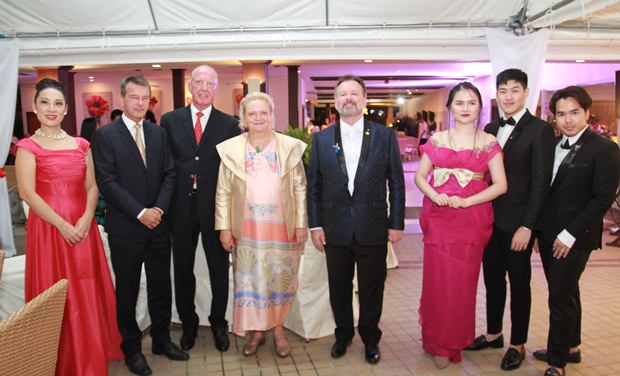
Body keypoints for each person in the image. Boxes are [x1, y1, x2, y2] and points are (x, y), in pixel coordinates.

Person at [15, 78, 122, 375]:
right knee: (57, 294)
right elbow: (27, 193)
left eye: (58, 103)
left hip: (82, 228)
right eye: (45, 103)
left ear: (66, 110)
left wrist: (87, 217)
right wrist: (63, 225)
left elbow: (92, 186)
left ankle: (89, 356)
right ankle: (58, 359)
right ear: (35, 107)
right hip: (50, 231)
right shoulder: (27, 146)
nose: (52, 109)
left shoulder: (80, 144)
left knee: (86, 290)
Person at [92, 76, 188, 376]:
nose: (139, 103)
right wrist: (140, 213)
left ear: (150, 101)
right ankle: (131, 349)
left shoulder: (158, 134)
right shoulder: (106, 136)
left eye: (144, 98)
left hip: (158, 225)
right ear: (123, 99)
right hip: (127, 228)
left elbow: (170, 174)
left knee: (161, 286)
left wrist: (157, 209)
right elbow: (107, 183)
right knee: (128, 291)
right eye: (134, 97)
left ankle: (161, 340)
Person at [307, 74, 405, 365]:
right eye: (342, 94)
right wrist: (315, 224)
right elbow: (314, 186)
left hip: (372, 225)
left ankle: (371, 339)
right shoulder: (321, 139)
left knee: (372, 287)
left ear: (363, 100)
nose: (348, 98)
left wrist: (396, 222)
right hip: (335, 227)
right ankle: (343, 335)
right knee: (338, 286)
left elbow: (396, 182)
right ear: (335, 102)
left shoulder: (384, 136)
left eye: (354, 94)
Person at [465, 69, 555, 371]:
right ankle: (494, 334)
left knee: (519, 284)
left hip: (518, 224)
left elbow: (541, 182)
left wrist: (528, 226)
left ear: (526, 92)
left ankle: (517, 343)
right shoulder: (490, 126)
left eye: (515, 90)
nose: (508, 97)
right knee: (491, 281)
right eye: (503, 91)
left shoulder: (540, 130)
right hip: (489, 221)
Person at [414, 81, 507, 369]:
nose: (465, 108)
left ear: (480, 107)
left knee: (461, 286)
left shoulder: (489, 143)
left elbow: (501, 185)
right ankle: (436, 340)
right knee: (437, 282)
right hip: (439, 217)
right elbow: (420, 177)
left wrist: (468, 202)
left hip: (471, 219)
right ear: (450, 107)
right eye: (459, 103)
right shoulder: (438, 140)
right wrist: (435, 195)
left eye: (471, 103)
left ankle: (453, 342)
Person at [214, 92, 308, 357]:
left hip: (282, 227)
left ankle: (277, 330)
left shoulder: (288, 147)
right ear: (244, 117)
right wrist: (224, 227)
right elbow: (223, 191)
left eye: (263, 113)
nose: (258, 118)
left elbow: (300, 187)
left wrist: (301, 223)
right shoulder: (232, 149)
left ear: (271, 115)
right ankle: (256, 331)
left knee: (279, 278)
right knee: (251, 280)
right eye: (252, 113)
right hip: (247, 227)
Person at [534, 86, 620, 376]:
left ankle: (557, 363)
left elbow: (602, 198)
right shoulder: (553, 144)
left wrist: (569, 234)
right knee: (567, 293)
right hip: (548, 234)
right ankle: (571, 347)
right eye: (561, 114)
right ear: (554, 116)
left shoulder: (605, 148)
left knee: (559, 297)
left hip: (576, 236)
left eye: (574, 113)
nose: (568, 120)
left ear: (586, 112)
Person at [160, 65, 240, 352]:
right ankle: (189, 323)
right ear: (190, 86)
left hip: (214, 209)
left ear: (216, 88)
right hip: (179, 208)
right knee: (182, 270)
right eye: (199, 82)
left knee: (219, 270)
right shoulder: (170, 120)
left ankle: (219, 323)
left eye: (210, 83)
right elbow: (164, 165)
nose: (204, 88)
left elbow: (232, 173)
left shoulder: (229, 124)